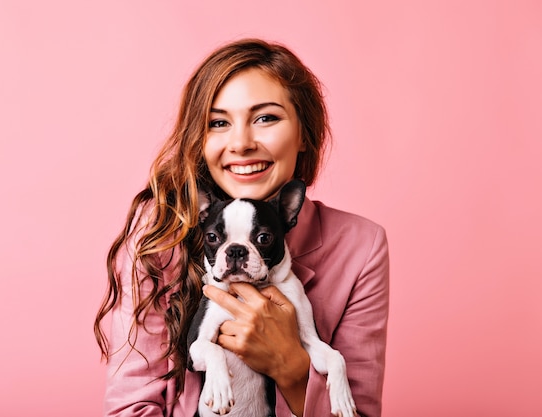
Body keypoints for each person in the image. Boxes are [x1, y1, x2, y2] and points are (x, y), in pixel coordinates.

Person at [94, 38, 389, 417]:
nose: (241, 143)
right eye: (218, 123)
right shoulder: (158, 232)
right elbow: (130, 408)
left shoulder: (360, 246)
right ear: (199, 141)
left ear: (304, 132)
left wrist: (289, 365)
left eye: (266, 117)